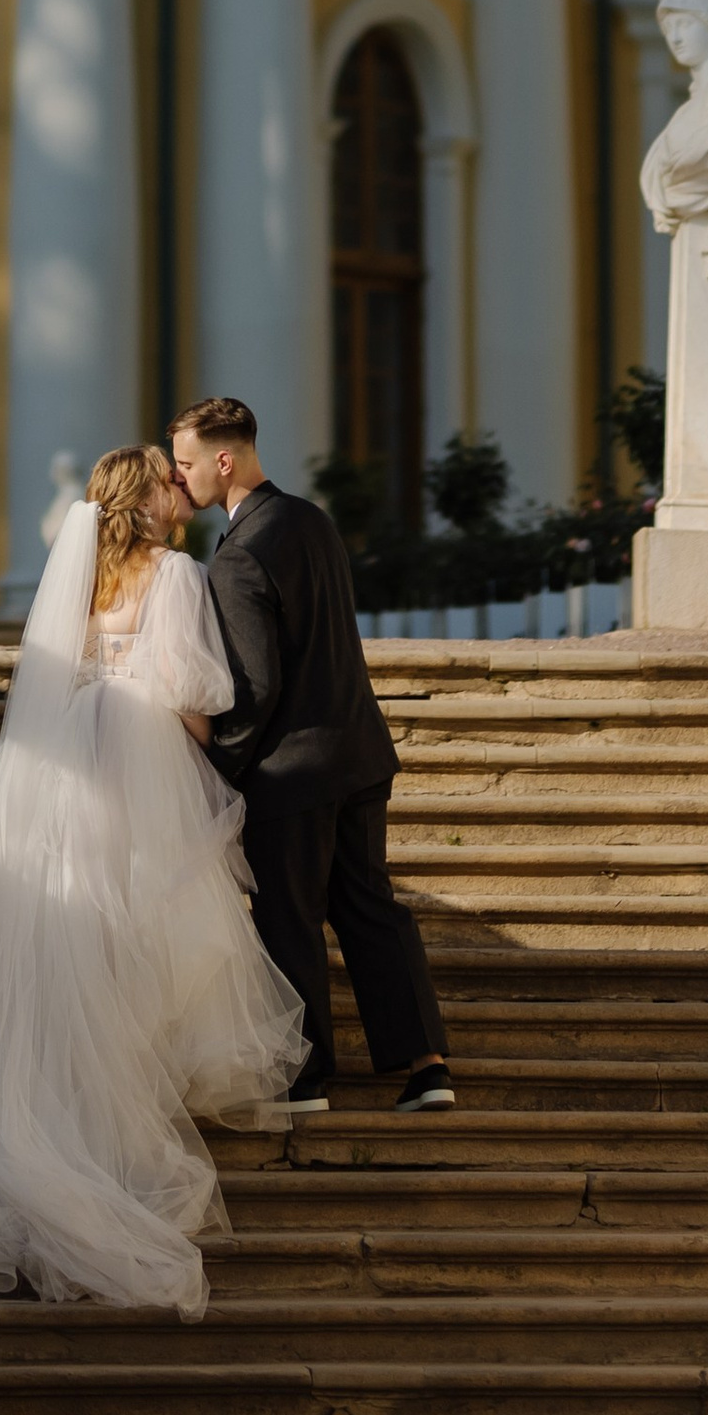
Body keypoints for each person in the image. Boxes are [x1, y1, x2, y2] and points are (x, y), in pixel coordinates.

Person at [0, 445, 306, 1315]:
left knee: (65, 913)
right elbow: (194, 687)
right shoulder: (177, 572)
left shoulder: (78, 574)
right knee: (144, 911)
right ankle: (118, 1091)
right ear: (151, 495)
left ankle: (54, 1090)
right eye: (168, 476)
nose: (178, 487)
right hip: (139, 750)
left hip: (64, 752)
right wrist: (215, 757)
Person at [171, 395, 454, 1116]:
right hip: (358, 753)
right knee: (371, 909)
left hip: (290, 774)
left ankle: (305, 1079)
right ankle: (428, 1067)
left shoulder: (237, 557)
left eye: (187, 461)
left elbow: (255, 685)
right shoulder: (309, 519)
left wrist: (217, 767)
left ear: (224, 459)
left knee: (288, 920)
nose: (182, 477)